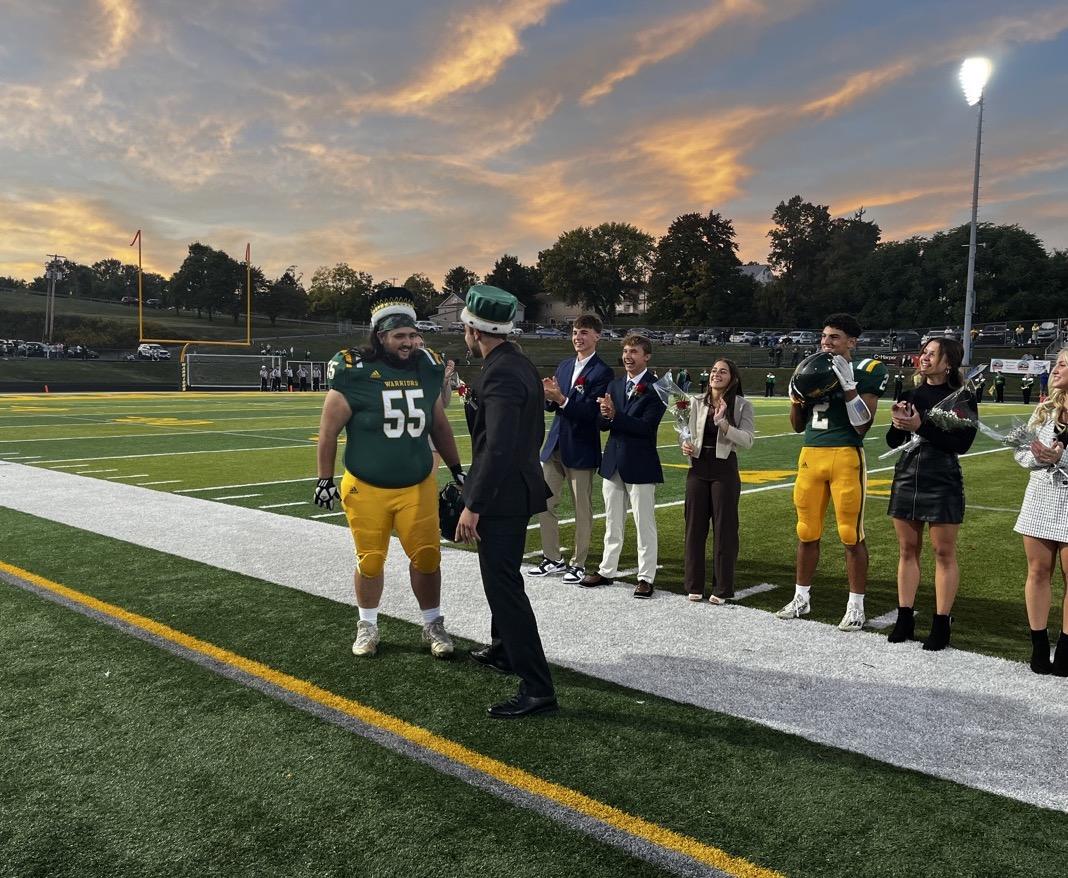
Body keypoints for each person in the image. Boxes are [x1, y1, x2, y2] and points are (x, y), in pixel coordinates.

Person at [313, 287, 464, 661]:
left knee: (427, 558)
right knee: (370, 561)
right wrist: (324, 479)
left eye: (413, 334)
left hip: (417, 484)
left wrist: (457, 469)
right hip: (366, 487)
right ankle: (367, 624)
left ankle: (433, 624)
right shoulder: (354, 371)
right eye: (400, 335)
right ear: (381, 336)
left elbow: (439, 424)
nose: (409, 342)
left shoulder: (427, 366)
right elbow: (328, 431)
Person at [455, 285, 557, 718]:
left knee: (503, 587)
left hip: (502, 495)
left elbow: (496, 447)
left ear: (475, 331)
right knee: (503, 579)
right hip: (514, 487)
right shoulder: (517, 363)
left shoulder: (500, 373)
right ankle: (503, 649)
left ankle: (537, 687)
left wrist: (473, 503)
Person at [778, 313, 888, 631]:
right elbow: (797, 426)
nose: (826, 342)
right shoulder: (811, 368)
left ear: (851, 341)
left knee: (850, 534)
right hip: (811, 454)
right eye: (824, 336)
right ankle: (801, 598)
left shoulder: (867, 369)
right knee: (806, 531)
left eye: (834, 337)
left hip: (845, 454)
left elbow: (862, 426)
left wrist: (849, 387)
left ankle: (856, 606)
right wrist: (796, 400)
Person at [884, 338, 977, 650]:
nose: (924, 357)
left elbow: (962, 444)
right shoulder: (910, 393)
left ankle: (941, 622)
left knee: (943, 552)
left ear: (948, 362)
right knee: (907, 549)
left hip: (942, 478)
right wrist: (898, 423)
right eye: (923, 352)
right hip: (907, 474)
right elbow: (892, 441)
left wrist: (920, 425)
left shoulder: (963, 397)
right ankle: (904, 618)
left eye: (931, 354)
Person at [527, 315, 613, 584]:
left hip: (581, 447)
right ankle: (552, 558)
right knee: (544, 504)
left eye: (584, 332)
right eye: (575, 332)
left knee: (581, 509)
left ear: (597, 336)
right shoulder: (564, 365)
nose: (578, 337)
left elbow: (591, 414)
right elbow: (551, 406)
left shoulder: (603, 372)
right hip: (555, 444)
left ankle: (578, 563)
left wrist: (561, 399)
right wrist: (549, 396)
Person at [579, 335, 666, 598]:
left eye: (634, 351)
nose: (628, 356)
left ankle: (646, 577)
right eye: (626, 351)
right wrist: (605, 415)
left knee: (644, 523)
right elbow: (602, 424)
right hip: (613, 461)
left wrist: (616, 416)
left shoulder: (658, 388)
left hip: (640, 463)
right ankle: (607, 570)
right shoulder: (615, 384)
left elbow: (646, 427)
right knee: (612, 521)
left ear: (647, 356)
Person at [1013, 346, 1068, 675]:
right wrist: (1038, 457)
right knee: (1037, 573)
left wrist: (1061, 458)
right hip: (1040, 500)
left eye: (1063, 364)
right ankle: (1038, 646)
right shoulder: (1045, 411)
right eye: (1056, 363)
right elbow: (1021, 454)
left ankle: (1066, 648)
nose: (1055, 369)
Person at [681, 359, 754, 603]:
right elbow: (686, 432)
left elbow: (747, 441)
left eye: (723, 371)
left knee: (725, 529)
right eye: (713, 370)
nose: (716, 374)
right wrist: (685, 444)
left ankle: (722, 588)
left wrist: (723, 423)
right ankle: (693, 584)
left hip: (724, 468)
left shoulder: (742, 405)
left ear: (733, 378)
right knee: (694, 528)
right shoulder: (695, 402)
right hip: (698, 467)